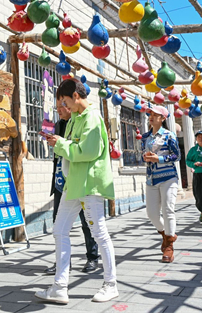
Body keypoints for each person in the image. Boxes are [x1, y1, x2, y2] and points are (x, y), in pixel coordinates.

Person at [36, 79, 117, 304]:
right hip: (74, 184)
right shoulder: (73, 119)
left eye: (65, 101)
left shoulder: (92, 117)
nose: (64, 107)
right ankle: (60, 287)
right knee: (60, 230)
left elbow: (87, 151)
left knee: (99, 233)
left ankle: (111, 284)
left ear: (75, 95)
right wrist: (60, 141)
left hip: (90, 184)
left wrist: (61, 144)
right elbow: (71, 145)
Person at [44, 100, 99, 276]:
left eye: (63, 107)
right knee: (59, 224)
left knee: (88, 222)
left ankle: (93, 258)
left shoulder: (82, 121)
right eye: (57, 108)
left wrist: (61, 143)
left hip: (80, 180)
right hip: (62, 180)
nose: (59, 111)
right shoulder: (59, 125)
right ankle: (62, 262)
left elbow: (81, 150)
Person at [141, 106, 181, 263]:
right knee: (151, 213)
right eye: (151, 114)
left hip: (168, 177)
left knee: (168, 210)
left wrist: (160, 159)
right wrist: (146, 156)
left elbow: (177, 155)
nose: (151, 116)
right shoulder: (146, 137)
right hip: (151, 178)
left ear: (163, 118)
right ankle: (166, 235)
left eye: (156, 114)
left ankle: (169, 247)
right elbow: (142, 154)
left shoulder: (169, 135)